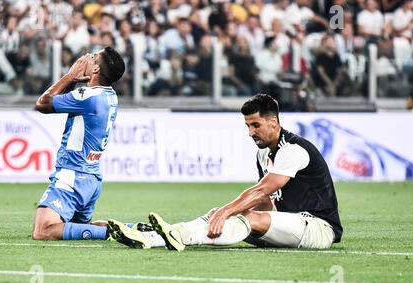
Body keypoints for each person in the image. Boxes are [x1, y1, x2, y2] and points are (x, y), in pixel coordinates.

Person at [108, 94, 343, 251]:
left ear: (273, 122)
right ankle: (153, 239)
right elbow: (265, 202)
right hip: (290, 226)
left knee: (237, 215)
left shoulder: (293, 149)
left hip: (318, 228)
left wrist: (229, 211)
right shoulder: (263, 152)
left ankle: (180, 235)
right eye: (248, 126)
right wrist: (223, 214)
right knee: (219, 213)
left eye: (256, 125)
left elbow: (263, 189)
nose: (250, 133)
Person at [32, 46, 126, 241]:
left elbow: (42, 104)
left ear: (96, 70)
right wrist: (74, 80)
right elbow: (58, 101)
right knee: (78, 228)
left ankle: (109, 233)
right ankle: (134, 229)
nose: (85, 58)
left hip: (72, 176)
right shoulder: (109, 96)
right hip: (91, 178)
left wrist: (69, 76)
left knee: (44, 230)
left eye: (92, 57)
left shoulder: (88, 97)